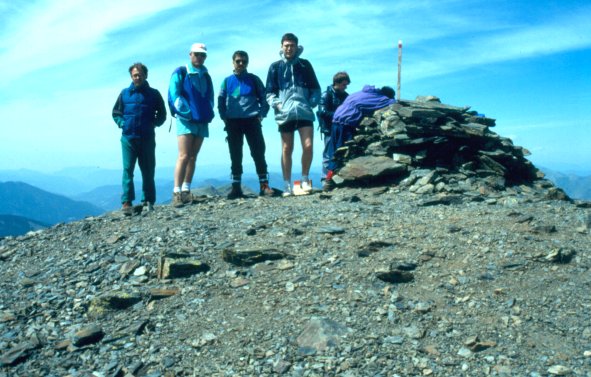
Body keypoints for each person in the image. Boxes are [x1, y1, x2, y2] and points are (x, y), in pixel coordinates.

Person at [265, 33, 321, 197]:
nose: (289, 48)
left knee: (308, 145)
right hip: (285, 113)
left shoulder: (305, 65)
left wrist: (311, 102)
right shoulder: (275, 67)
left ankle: (304, 179)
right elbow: (269, 92)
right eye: (286, 45)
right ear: (282, 47)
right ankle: (287, 185)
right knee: (287, 148)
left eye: (292, 45)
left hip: (304, 111)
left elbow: (315, 88)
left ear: (297, 47)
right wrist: (277, 104)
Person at [218, 50, 274, 199]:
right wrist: (224, 117)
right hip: (233, 122)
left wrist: (261, 115)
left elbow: (264, 98)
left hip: (252, 121)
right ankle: (236, 188)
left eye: (244, 61)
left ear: (247, 62)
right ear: (233, 62)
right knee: (235, 155)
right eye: (238, 61)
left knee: (258, 153)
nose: (241, 63)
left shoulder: (254, 79)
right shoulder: (227, 81)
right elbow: (220, 100)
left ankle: (264, 186)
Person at [112, 62, 166, 215]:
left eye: (140, 75)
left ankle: (147, 200)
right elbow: (116, 113)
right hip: (128, 139)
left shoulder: (154, 94)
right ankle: (127, 202)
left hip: (147, 138)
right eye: (135, 75)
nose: (137, 77)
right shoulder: (124, 93)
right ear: (131, 76)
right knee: (128, 170)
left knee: (148, 170)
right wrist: (122, 123)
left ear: (145, 76)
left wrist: (153, 124)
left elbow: (162, 114)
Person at [324, 85, 396, 191]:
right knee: (343, 152)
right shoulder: (382, 98)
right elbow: (393, 104)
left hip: (336, 118)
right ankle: (331, 182)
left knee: (334, 152)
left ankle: (329, 180)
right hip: (347, 120)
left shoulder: (363, 92)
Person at [168, 43, 215, 207]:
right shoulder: (181, 72)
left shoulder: (206, 75)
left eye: (202, 55)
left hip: (201, 119)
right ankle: (176, 192)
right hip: (186, 120)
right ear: (190, 54)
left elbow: (210, 96)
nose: (199, 57)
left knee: (193, 156)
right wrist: (185, 112)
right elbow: (174, 94)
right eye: (197, 54)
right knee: (184, 155)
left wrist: (209, 112)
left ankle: (186, 190)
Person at [317, 72, 350, 180]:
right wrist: (339, 116)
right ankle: (325, 179)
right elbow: (322, 112)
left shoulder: (346, 96)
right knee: (328, 155)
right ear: (337, 82)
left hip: (342, 129)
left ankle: (337, 178)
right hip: (329, 130)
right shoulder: (326, 94)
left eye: (346, 85)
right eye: (343, 85)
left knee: (341, 153)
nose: (345, 87)